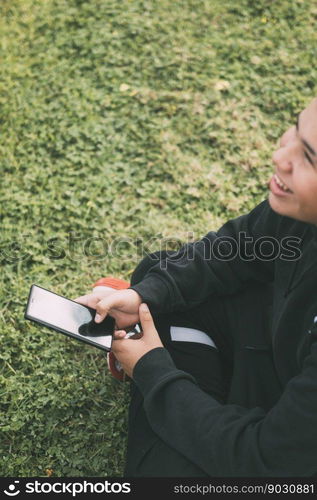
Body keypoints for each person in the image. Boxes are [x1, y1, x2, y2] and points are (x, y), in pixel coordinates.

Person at [76, 97, 317, 477]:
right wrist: (142, 296)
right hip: (283, 356)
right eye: (296, 129)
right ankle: (164, 363)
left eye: (308, 157)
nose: (280, 156)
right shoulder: (301, 210)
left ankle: (161, 370)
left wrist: (153, 372)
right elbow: (238, 246)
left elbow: (264, 461)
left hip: (282, 452)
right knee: (160, 281)